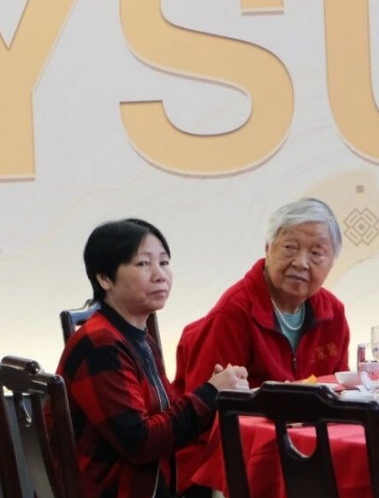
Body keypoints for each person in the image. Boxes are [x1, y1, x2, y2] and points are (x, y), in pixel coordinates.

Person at [56, 219, 248, 498]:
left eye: (164, 262)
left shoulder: (138, 336)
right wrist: (209, 394)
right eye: (143, 264)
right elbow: (140, 442)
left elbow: (161, 417)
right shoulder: (101, 345)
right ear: (104, 278)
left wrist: (215, 391)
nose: (160, 275)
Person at [171, 197, 350, 493]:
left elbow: (338, 392)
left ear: (332, 262)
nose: (301, 262)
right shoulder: (233, 312)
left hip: (306, 451)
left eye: (316, 253)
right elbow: (204, 411)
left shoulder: (333, 313)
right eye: (290, 247)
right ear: (268, 248)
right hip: (233, 460)